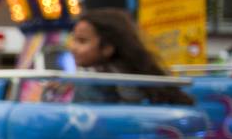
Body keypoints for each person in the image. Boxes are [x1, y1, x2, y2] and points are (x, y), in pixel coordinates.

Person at [62, 9, 193, 105]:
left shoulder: (95, 82)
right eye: (73, 39)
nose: (72, 47)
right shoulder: (139, 76)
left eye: (82, 41)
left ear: (107, 48)